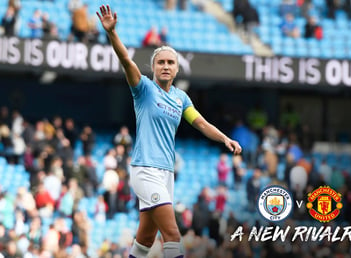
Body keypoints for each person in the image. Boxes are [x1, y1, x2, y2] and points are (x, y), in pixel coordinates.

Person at [96, 5, 242, 258]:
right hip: (146, 171)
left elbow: (201, 124)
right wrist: (112, 34)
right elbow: (125, 60)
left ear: (176, 69)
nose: (165, 66)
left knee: (145, 239)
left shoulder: (181, 98)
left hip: (166, 174)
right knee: (172, 235)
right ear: (153, 68)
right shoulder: (143, 90)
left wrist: (225, 138)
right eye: (161, 62)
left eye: (170, 63)